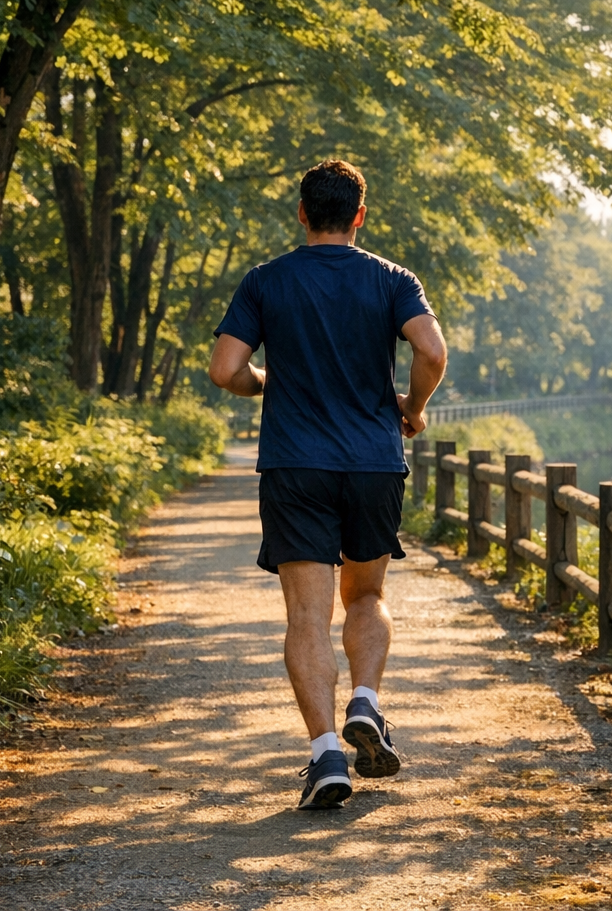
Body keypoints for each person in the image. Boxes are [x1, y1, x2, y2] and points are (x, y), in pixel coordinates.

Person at [208, 160, 447, 809]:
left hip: (295, 465)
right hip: (373, 462)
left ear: (302, 213)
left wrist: (262, 385)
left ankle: (325, 756)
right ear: (360, 216)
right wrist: (414, 408)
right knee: (365, 598)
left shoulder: (267, 282)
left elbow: (226, 366)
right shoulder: (392, 279)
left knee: (307, 618)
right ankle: (365, 701)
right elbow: (432, 351)